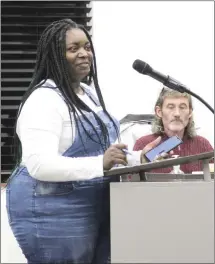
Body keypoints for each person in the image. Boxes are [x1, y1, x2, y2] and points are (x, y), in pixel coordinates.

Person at [6, 19, 161, 264]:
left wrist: (137, 157)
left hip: (94, 205)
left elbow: (104, 152)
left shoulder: (87, 94)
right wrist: (101, 163)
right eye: (73, 48)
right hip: (52, 211)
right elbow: (40, 165)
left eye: (87, 47)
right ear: (55, 55)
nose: (84, 54)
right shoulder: (43, 100)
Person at [133, 87, 214, 173]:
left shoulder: (203, 145)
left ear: (190, 112)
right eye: (171, 107)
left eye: (182, 107)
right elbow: (129, 184)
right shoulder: (143, 144)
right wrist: (143, 164)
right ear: (159, 112)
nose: (177, 114)